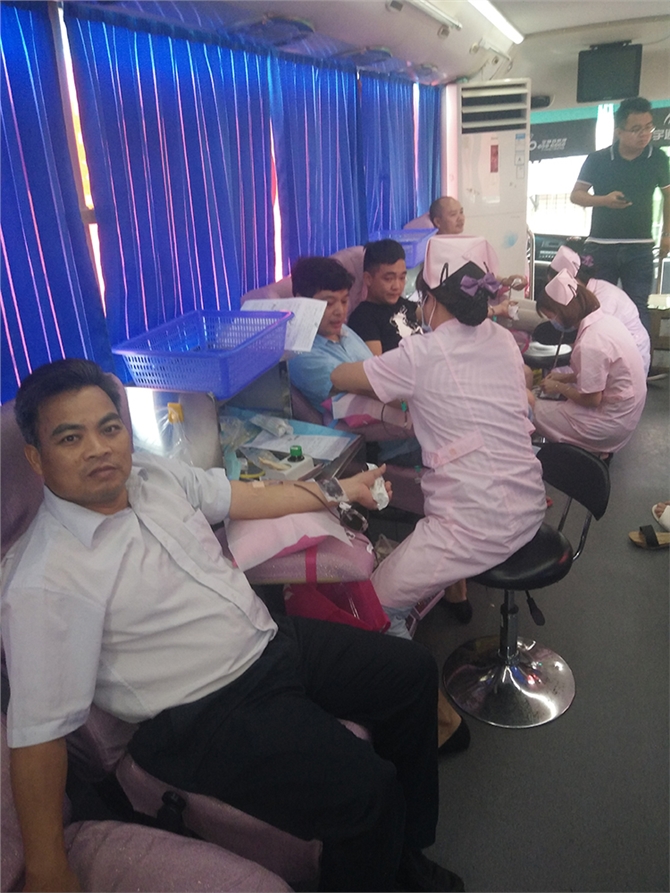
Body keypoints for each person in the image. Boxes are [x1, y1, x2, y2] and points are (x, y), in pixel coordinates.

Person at [2, 358, 465, 893]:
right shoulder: (44, 580)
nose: (99, 448)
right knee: (367, 792)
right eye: (70, 438)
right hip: (201, 709)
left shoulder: (152, 475)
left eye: (109, 428)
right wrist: (48, 868)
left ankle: (405, 853)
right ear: (35, 458)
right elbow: (38, 735)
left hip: (265, 640)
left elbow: (246, 496)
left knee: (412, 672)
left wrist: (339, 490)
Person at [331, 261, 547, 640]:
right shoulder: (501, 338)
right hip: (528, 500)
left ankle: (410, 672)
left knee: (375, 601)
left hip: (475, 523)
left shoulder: (422, 354)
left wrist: (329, 351)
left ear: (429, 299)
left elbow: (341, 376)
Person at [569, 96, 670, 335]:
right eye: (636, 129)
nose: (644, 134)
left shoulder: (658, 158)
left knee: (637, 308)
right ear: (619, 132)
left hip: (640, 247)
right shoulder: (598, 159)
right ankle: (595, 353)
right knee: (596, 307)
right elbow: (576, 195)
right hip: (601, 246)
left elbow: (669, 196)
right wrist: (604, 200)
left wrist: (667, 234)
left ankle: (639, 358)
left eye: (648, 127)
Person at [533, 269, 647, 455]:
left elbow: (592, 400)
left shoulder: (591, 342)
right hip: (626, 412)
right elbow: (602, 373)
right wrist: (566, 378)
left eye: (551, 316)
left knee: (532, 408)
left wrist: (558, 387)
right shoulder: (606, 321)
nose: (552, 322)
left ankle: (563, 457)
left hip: (610, 424)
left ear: (563, 311)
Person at [548, 244, 651, 373]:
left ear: (571, 280)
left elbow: (597, 346)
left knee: (558, 375)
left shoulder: (605, 300)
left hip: (625, 363)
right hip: (612, 356)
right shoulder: (588, 292)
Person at [288, 256, 372, 411]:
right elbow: (367, 391)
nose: (340, 311)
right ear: (301, 302)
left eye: (344, 301)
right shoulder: (300, 354)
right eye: (329, 303)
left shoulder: (343, 330)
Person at [428, 196, 526, 292]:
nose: (460, 218)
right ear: (438, 221)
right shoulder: (433, 250)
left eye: (461, 212)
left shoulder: (467, 244)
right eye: (453, 214)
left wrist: (506, 281)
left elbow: (482, 273)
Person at [347, 239, 422, 355]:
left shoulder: (403, 303)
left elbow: (432, 318)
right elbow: (376, 364)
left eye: (402, 278)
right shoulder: (363, 318)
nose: (397, 286)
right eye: (388, 279)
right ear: (368, 279)